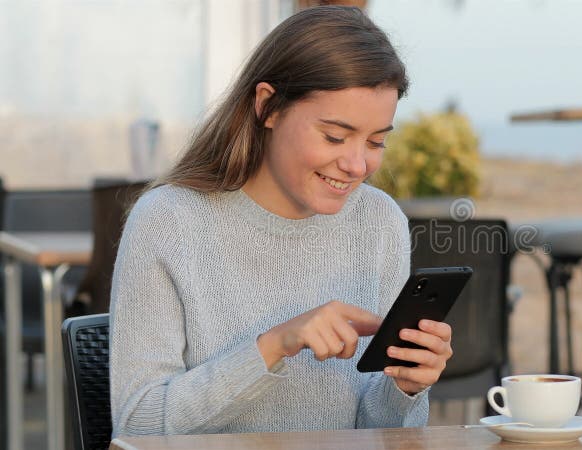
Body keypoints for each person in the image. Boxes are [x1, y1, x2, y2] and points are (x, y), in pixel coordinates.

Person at [109, 6, 453, 437]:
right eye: (334, 136)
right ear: (267, 105)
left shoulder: (379, 221)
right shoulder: (168, 222)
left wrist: (403, 388)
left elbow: (379, 432)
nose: (356, 164)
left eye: (376, 141)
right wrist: (274, 345)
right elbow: (136, 426)